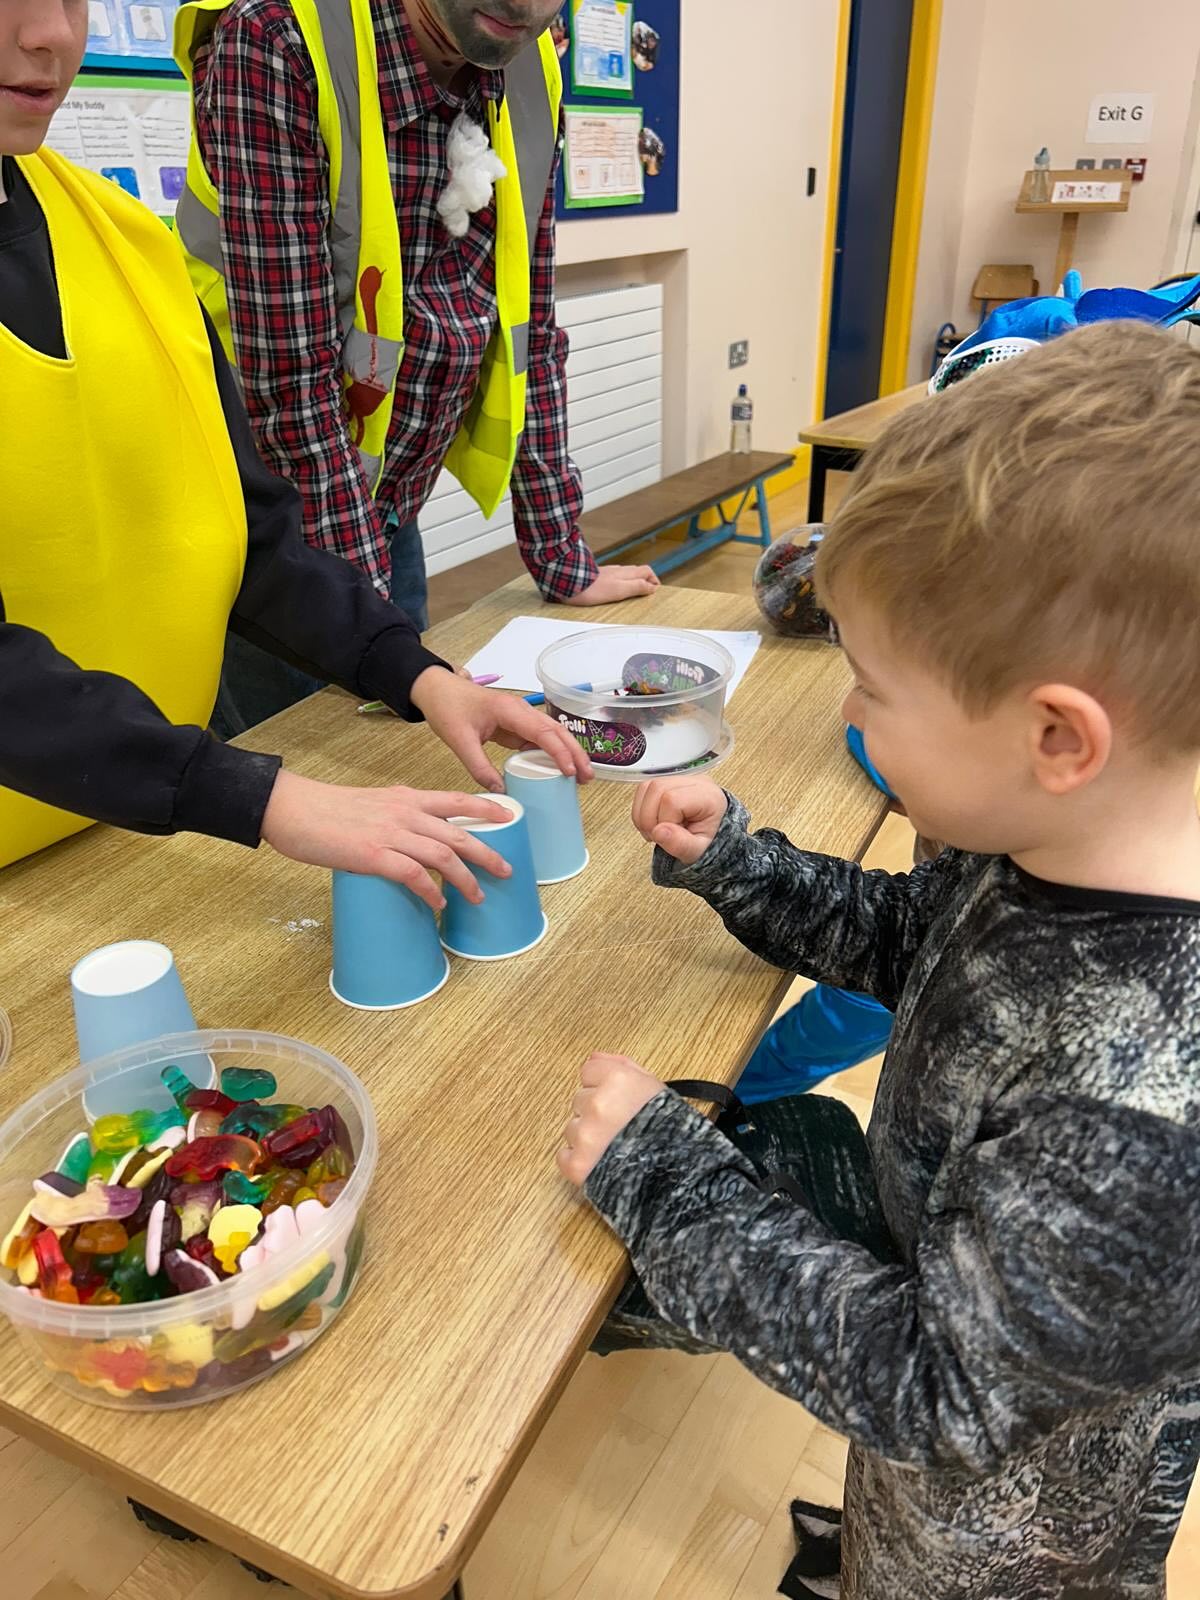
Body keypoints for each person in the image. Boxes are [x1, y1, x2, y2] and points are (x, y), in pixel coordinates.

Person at [557, 322, 1200, 1599]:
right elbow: (919, 944)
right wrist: (740, 864)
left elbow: (933, 1390)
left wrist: (665, 1181)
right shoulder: (1047, 838)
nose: (850, 711)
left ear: (1056, 736)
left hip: (996, 1545)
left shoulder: (1137, 1120)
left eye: (872, 685)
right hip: (950, 1355)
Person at [0, 0, 588, 896]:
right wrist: (260, 797)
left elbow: (253, 532)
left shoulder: (118, 237)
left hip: (130, 817)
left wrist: (415, 672)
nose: (53, 34)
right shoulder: (277, 44)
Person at [175, 0, 659, 736]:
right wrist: (386, 645)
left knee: (410, 757)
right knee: (307, 767)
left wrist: (561, 556)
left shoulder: (528, 61)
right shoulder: (277, 40)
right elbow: (291, 389)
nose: (527, 5)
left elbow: (528, 325)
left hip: (385, 501)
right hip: (265, 536)